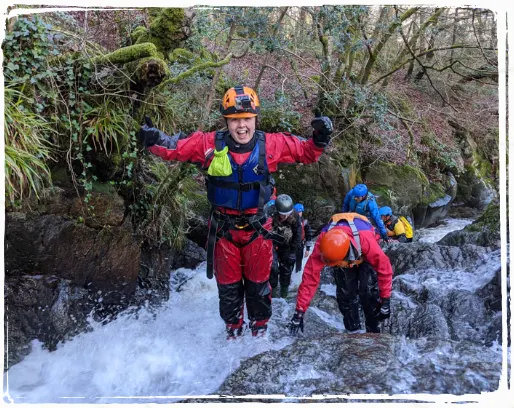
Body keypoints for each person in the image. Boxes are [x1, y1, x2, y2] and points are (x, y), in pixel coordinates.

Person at [138, 85, 333, 339]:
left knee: (259, 289)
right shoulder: (209, 144)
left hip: (258, 231)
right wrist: (153, 139)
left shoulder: (271, 144)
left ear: (255, 119)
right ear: (227, 122)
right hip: (224, 232)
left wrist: (320, 138)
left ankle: (259, 334)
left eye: (247, 119)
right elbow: (176, 148)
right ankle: (233, 334)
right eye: (235, 120)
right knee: (228, 292)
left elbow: (307, 153)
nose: (242, 126)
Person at [288, 212, 393, 335]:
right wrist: (299, 312)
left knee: (368, 292)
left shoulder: (366, 240)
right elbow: (309, 278)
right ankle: (353, 332)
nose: (337, 266)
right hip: (346, 249)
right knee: (346, 296)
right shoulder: (323, 244)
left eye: (337, 264)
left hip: (362, 250)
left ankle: (374, 331)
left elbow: (384, 268)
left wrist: (385, 300)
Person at [269, 194, 302, 298]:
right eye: (283, 214)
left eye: (288, 214)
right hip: (272, 244)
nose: (286, 216)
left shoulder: (295, 215)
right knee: (272, 268)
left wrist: (293, 252)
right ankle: (273, 291)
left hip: (287, 244)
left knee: (286, 268)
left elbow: (298, 234)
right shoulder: (270, 213)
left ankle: (284, 292)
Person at [293, 203, 313, 273]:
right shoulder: (290, 221)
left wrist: (307, 249)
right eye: (297, 212)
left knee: (298, 263)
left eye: (300, 212)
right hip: (291, 245)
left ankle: (296, 275)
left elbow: (308, 235)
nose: (298, 213)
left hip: (300, 246)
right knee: (289, 262)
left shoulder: (305, 222)